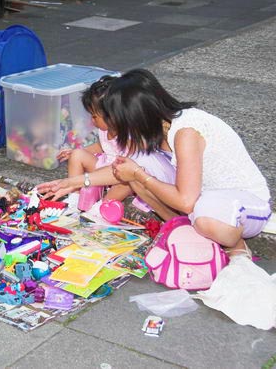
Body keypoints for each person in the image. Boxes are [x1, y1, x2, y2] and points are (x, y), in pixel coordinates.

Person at [104, 69, 271, 257]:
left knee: (205, 217)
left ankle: (236, 248)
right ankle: (185, 230)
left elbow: (186, 201)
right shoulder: (164, 129)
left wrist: (140, 175)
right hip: (206, 202)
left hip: (248, 205)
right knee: (137, 173)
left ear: (137, 118)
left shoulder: (186, 132)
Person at [37, 76, 175, 211]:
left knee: (126, 183)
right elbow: (100, 146)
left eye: (95, 116)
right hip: (106, 168)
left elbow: (135, 165)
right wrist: (78, 151)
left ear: (113, 115)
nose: (92, 121)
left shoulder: (130, 134)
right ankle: (75, 196)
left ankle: (102, 206)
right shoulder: (103, 130)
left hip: (124, 174)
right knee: (78, 154)